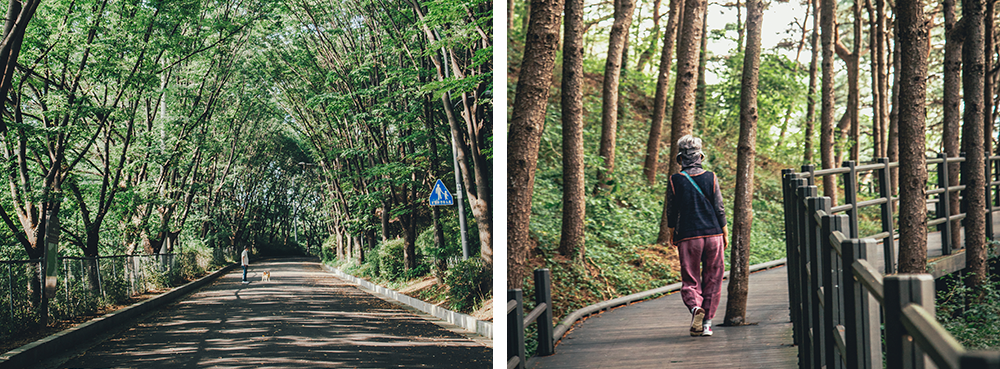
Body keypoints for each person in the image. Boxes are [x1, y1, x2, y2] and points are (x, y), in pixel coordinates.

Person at [665, 134, 728, 337]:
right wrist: (724, 232)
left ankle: (695, 309)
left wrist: (672, 233)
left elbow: (672, 211)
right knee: (714, 278)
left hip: (688, 236)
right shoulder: (711, 177)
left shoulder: (675, 180)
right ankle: (707, 324)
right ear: (700, 156)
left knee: (690, 279)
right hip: (713, 234)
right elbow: (719, 207)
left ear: (680, 158)